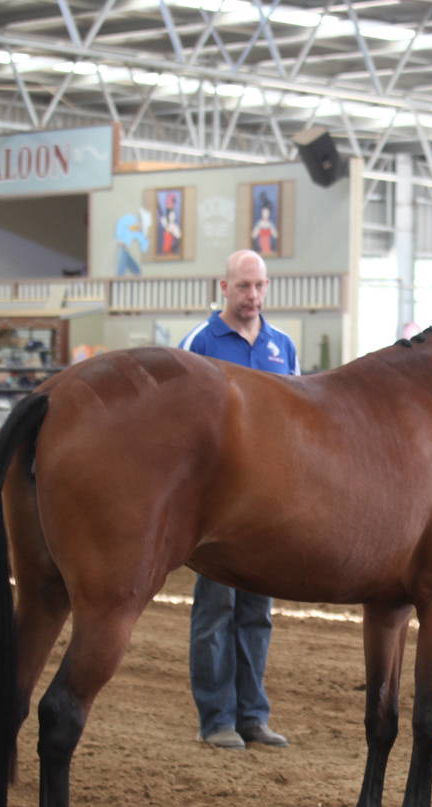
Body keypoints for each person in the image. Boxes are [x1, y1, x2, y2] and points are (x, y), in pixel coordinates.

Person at [177, 250, 299, 750]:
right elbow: (181, 424)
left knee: (256, 612)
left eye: (260, 287)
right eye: (244, 287)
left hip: (266, 506)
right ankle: (216, 719)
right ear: (223, 287)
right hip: (217, 508)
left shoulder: (282, 346)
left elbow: (297, 421)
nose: (253, 297)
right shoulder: (199, 343)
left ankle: (253, 715)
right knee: (214, 611)